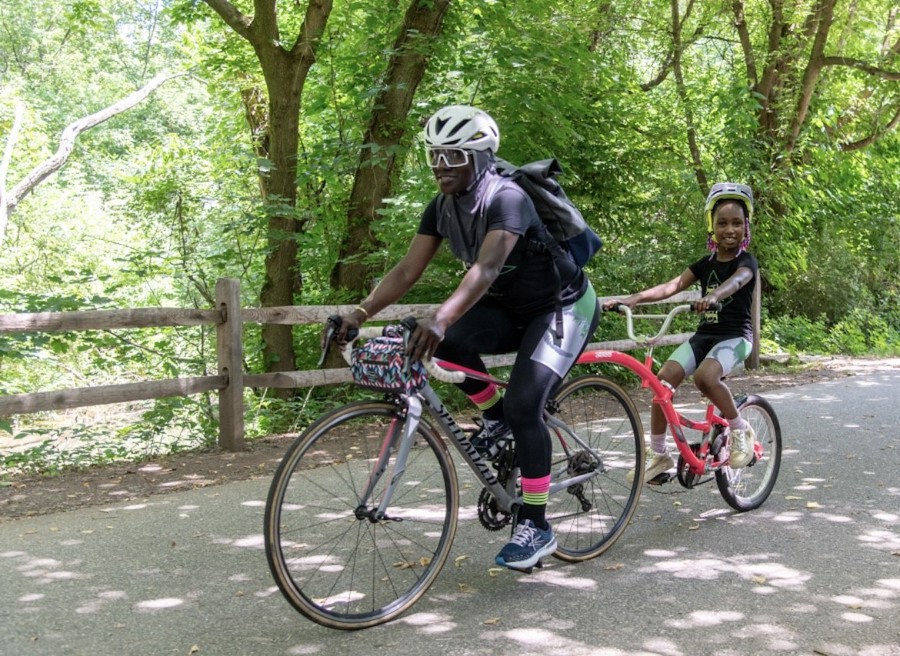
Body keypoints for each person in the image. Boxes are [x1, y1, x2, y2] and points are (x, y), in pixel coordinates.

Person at [330, 105, 600, 570]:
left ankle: (535, 525)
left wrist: (444, 315)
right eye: (434, 156)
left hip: (562, 305)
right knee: (438, 339)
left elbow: (487, 267)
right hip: (510, 308)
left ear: (479, 157)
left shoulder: (508, 197)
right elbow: (407, 269)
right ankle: (495, 420)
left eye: (452, 156)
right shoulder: (441, 207)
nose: (440, 166)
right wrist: (358, 313)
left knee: (524, 406)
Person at [603, 182, 759, 482]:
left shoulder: (745, 262)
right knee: (663, 382)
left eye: (737, 223)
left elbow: (738, 281)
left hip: (736, 337)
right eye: (722, 222)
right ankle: (659, 454)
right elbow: (672, 286)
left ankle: (741, 430)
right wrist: (632, 299)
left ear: (746, 227)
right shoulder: (705, 264)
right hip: (705, 337)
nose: (730, 229)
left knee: (705, 377)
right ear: (711, 226)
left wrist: (714, 296)